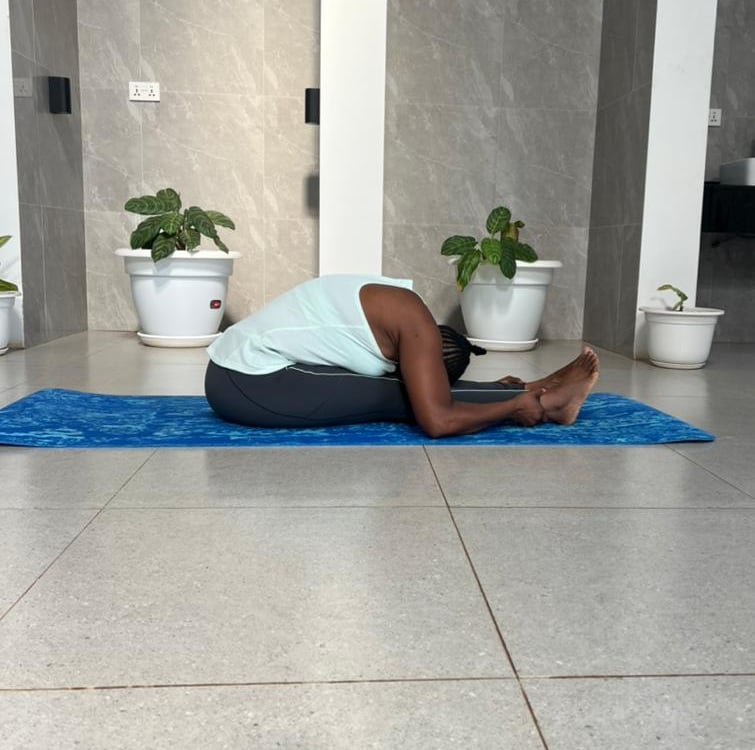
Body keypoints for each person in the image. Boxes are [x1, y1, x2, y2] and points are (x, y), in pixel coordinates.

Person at [204, 274, 599, 438]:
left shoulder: (397, 303)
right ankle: (542, 400)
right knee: (400, 396)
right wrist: (512, 406)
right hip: (247, 379)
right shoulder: (414, 326)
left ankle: (535, 387)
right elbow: (438, 421)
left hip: (236, 371)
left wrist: (496, 389)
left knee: (404, 389)